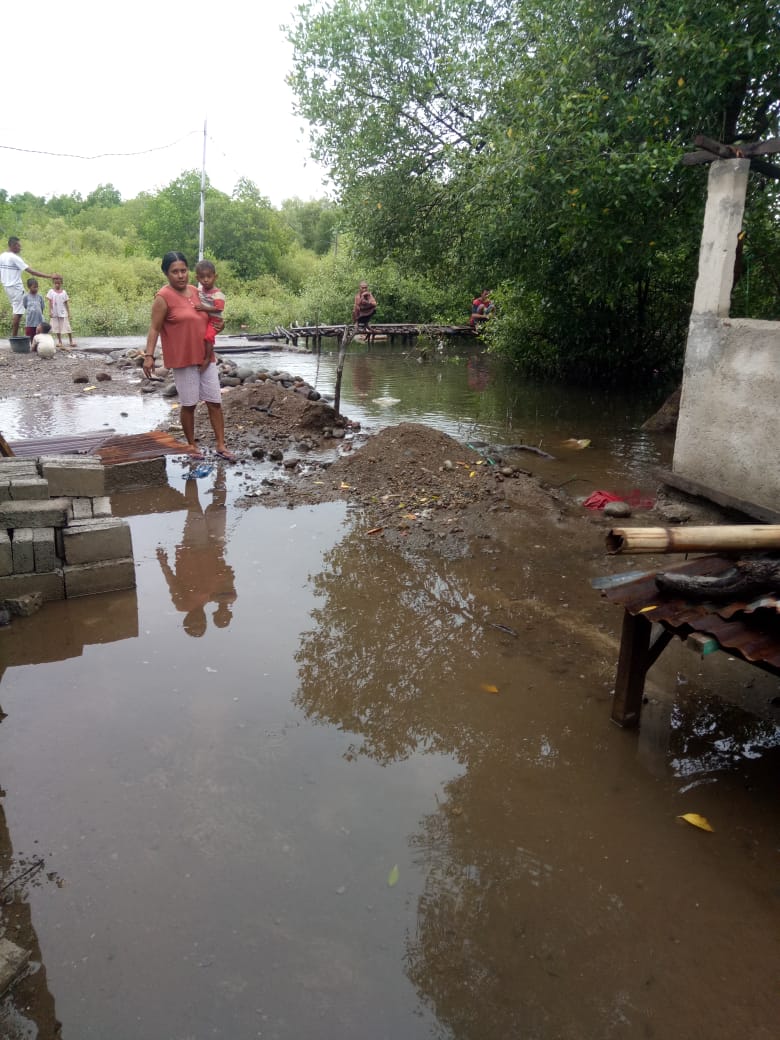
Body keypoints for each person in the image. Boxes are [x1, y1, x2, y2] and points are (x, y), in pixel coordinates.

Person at [143, 251, 235, 461]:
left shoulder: (196, 291)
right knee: (189, 404)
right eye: (175, 272)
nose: (181, 275)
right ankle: (192, 446)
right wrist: (149, 356)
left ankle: (221, 445)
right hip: (183, 359)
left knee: (214, 401)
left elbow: (212, 316)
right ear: (166, 273)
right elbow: (154, 329)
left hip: (205, 357)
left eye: (183, 270)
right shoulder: (163, 297)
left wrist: (220, 326)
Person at [156, 468, 237, 637]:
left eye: (195, 622)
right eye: (201, 622)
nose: (199, 619)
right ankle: (220, 473)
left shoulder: (183, 604)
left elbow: (173, 583)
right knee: (219, 507)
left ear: (187, 620)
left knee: (193, 507)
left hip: (193, 548)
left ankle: (192, 471)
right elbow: (225, 581)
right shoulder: (209, 599)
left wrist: (164, 563)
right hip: (213, 550)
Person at [0, 237, 60, 337]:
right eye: (18, 245)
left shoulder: (2, 256)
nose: (20, 248)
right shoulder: (14, 258)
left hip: (7, 287)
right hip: (16, 288)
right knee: (18, 313)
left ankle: (16, 336)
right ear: (13, 245)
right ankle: (14, 338)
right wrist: (50, 276)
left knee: (16, 310)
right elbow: (31, 271)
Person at [194, 260, 225, 362]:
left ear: (215, 277)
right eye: (202, 277)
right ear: (197, 278)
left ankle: (208, 358)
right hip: (206, 319)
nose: (206, 280)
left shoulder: (217, 293)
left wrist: (204, 308)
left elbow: (219, 308)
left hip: (214, 320)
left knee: (208, 337)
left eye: (209, 277)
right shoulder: (199, 291)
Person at [46, 276, 77, 349]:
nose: (57, 285)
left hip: (63, 312)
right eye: (55, 283)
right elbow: (50, 302)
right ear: (53, 283)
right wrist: (50, 311)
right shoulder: (51, 292)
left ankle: (71, 341)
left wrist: (69, 313)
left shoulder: (64, 292)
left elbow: (66, 303)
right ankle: (60, 341)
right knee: (57, 327)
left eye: (59, 283)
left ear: (61, 283)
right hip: (55, 312)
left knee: (67, 326)